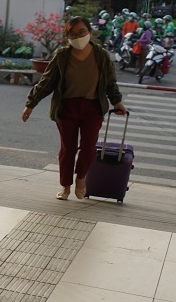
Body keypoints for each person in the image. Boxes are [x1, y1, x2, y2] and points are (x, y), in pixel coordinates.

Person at [21, 16, 126, 201]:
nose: (77, 36)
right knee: (67, 149)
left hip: (92, 108)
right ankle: (65, 186)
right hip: (67, 108)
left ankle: (81, 178)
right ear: (67, 35)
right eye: (72, 33)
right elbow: (47, 82)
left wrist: (117, 101)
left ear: (90, 33)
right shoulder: (62, 55)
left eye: (81, 32)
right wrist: (31, 103)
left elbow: (110, 82)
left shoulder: (101, 55)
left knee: (88, 148)